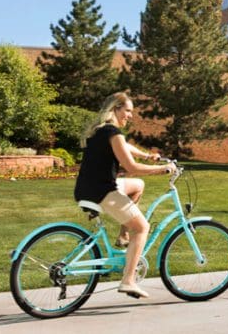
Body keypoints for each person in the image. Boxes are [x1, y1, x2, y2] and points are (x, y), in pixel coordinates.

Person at [73, 92, 174, 300]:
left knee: (138, 185)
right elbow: (130, 166)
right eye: (127, 110)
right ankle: (128, 281)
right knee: (142, 227)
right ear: (116, 109)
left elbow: (126, 148)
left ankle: (122, 235)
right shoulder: (113, 132)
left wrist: (148, 156)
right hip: (102, 191)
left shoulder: (101, 131)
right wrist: (162, 169)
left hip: (88, 187)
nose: (130, 115)